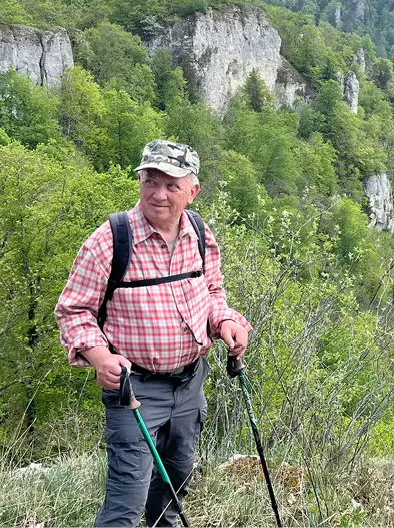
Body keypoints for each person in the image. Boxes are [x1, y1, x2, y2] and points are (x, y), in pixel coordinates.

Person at [55, 140, 251, 527]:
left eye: (171, 185)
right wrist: (99, 356)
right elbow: (72, 310)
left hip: (190, 384)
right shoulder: (110, 241)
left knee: (173, 486)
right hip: (134, 391)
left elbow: (211, 291)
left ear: (192, 192)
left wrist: (226, 322)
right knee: (126, 501)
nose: (158, 194)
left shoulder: (199, 234)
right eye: (150, 181)